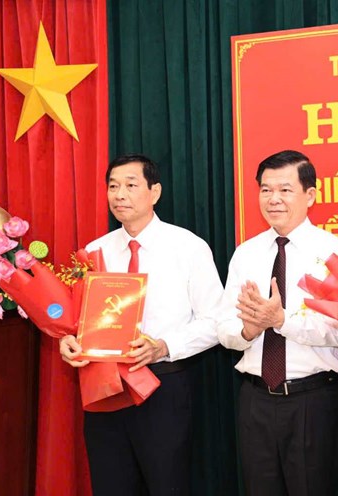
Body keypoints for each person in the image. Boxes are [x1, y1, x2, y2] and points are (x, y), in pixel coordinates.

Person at [59, 154, 224, 496]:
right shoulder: (95, 251)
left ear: (155, 192)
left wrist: (163, 346)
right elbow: (81, 319)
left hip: (163, 386)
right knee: (111, 485)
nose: (119, 194)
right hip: (105, 388)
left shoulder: (188, 247)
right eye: (113, 186)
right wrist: (70, 341)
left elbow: (215, 320)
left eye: (131, 185)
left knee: (167, 485)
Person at [217, 150, 338, 496]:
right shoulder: (246, 253)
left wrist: (281, 320)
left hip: (311, 399)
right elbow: (225, 328)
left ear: (310, 195)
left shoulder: (333, 251)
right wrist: (250, 328)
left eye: (285, 190)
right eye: (265, 189)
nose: (273, 199)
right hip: (255, 400)